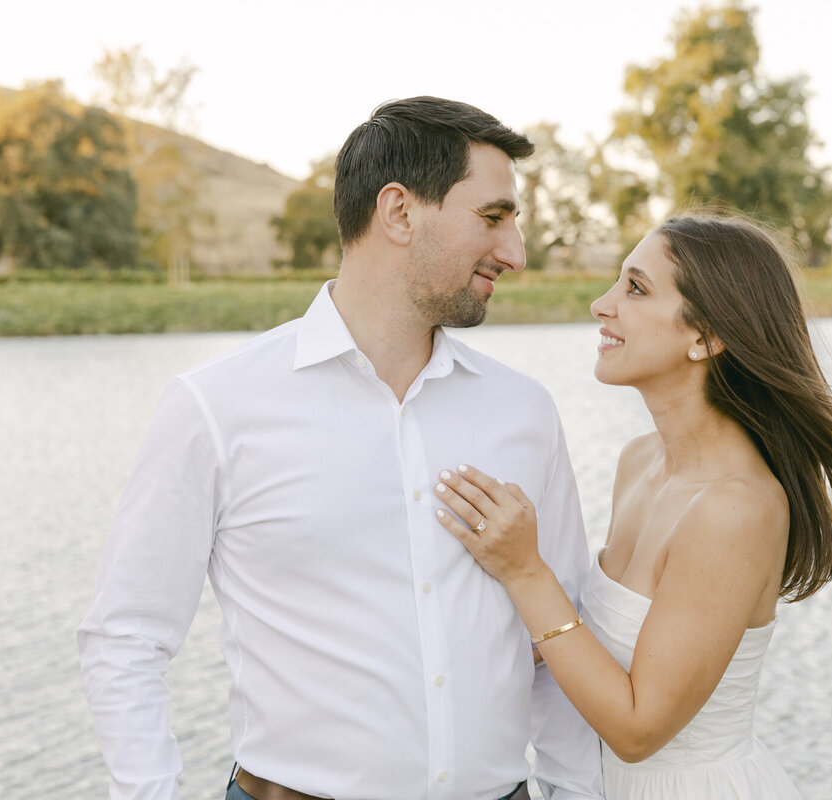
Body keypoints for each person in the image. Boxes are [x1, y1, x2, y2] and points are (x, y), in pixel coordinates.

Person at [78, 96, 605, 800]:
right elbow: (126, 639)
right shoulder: (217, 406)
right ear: (399, 212)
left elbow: (558, 645)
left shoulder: (524, 412)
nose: (515, 252)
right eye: (493, 217)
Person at [434, 212, 832, 799]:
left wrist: (525, 570)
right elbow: (591, 649)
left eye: (636, 288)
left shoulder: (736, 508)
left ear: (706, 337)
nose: (602, 305)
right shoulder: (639, 461)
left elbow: (638, 728)